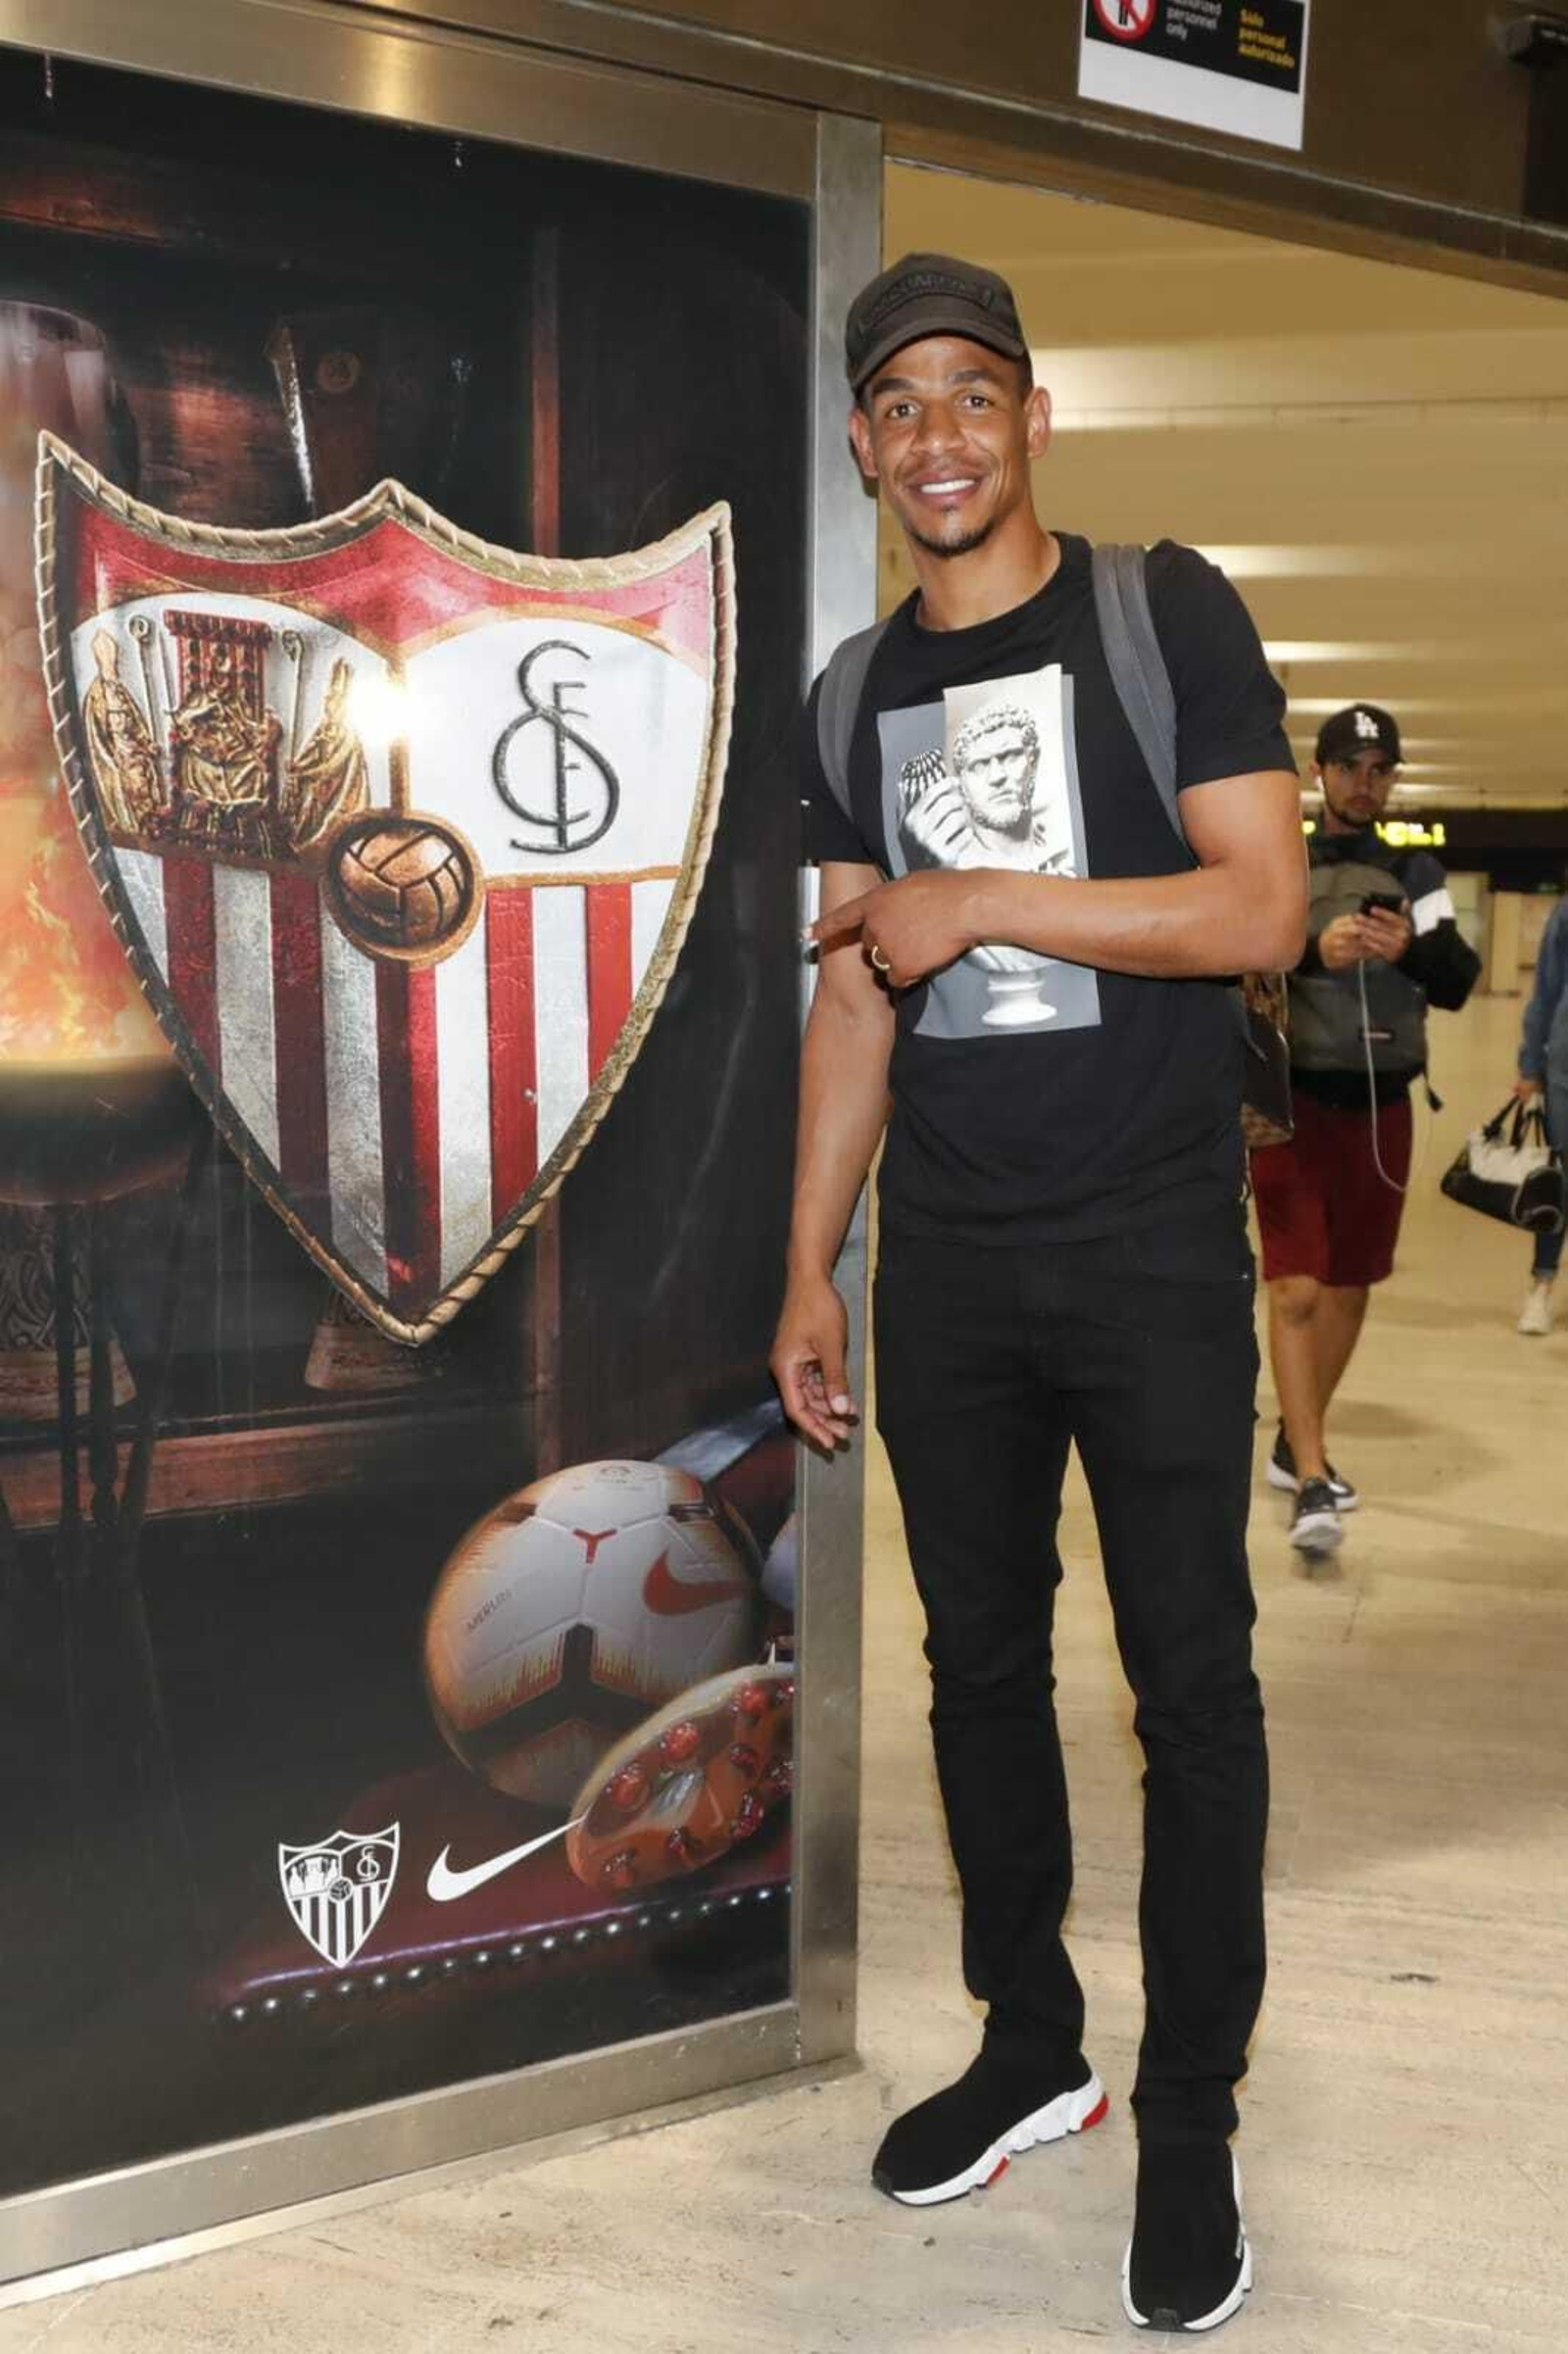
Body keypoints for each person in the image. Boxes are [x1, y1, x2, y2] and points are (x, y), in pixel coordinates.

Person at [769, 250, 1304, 2335]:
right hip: (959, 1264)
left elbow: (1258, 901)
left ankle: (1186, 2111)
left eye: (967, 392)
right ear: (860, 441)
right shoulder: (847, 695)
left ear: (1029, 414)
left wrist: (980, 890)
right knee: (977, 1671)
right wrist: (807, 1256)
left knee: (1192, 1691)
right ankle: (1029, 2039)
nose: (934, 434)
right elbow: (846, 1006)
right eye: (894, 401)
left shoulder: (1159, 611)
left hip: (1155, 1242)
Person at [1250, 706, 1480, 1555]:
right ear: (1320, 774)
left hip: (1381, 1109)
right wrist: (1316, 950)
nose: (1364, 783)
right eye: (1349, 766)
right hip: (1291, 1105)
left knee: (1348, 1285)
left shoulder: (1416, 872)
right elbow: (1243, 950)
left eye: (1380, 769)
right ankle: (1313, 1474)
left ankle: (1293, 1437)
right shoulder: (1287, 857)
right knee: (1297, 1287)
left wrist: (1400, 952)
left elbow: (1458, 977)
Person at [1513, 893, 1568, 1334]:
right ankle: (1541, 1286)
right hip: (1565, 1072)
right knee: (1559, 1183)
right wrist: (1531, 1066)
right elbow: (1546, 991)